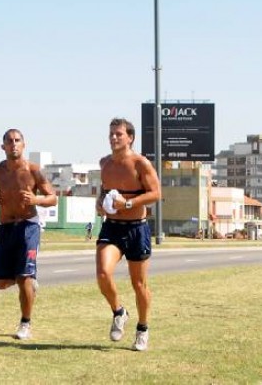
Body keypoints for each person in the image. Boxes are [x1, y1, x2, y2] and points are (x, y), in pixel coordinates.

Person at [96, 117, 161, 352]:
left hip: (137, 228)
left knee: (139, 284)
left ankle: (142, 328)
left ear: (130, 138)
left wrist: (128, 203)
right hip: (112, 227)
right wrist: (100, 204)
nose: (113, 138)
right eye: (111, 133)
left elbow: (155, 193)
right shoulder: (104, 163)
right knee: (103, 274)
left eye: (118, 134)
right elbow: (104, 191)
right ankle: (119, 311)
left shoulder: (140, 163)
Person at [0, 128, 57, 340]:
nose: (13, 144)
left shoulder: (33, 170)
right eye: (9, 141)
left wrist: (36, 200)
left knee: (24, 275)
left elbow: (53, 198)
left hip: (28, 226)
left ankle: (25, 323)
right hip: (6, 226)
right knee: (0, 282)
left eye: (17, 140)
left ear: (23, 145)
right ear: (3, 146)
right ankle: (26, 280)